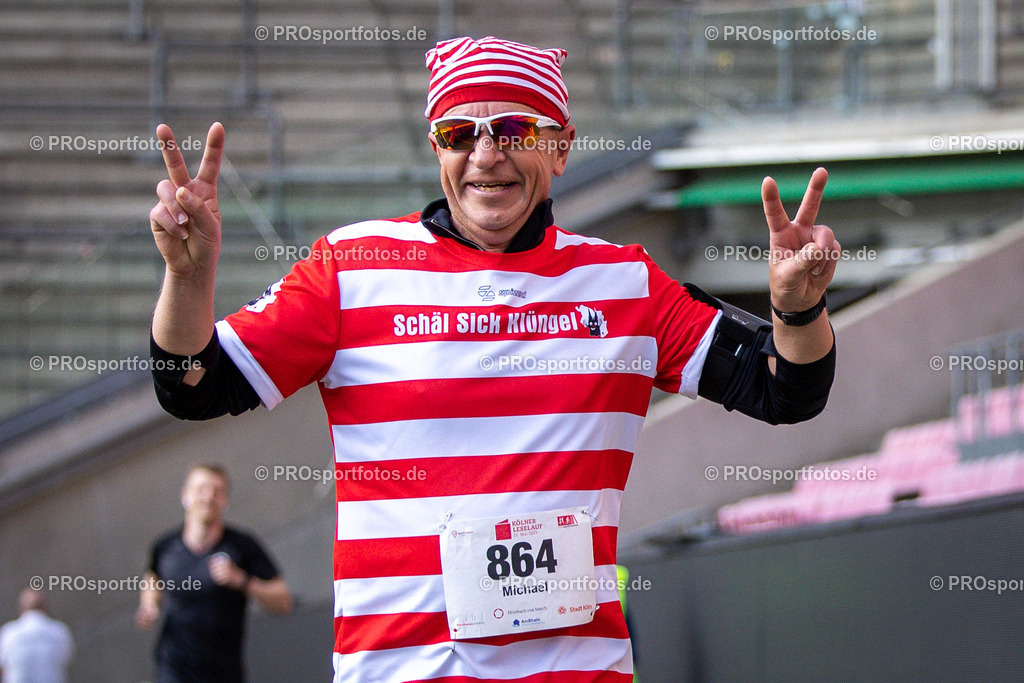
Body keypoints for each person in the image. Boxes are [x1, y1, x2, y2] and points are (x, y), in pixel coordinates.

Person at [146, 36, 837, 682]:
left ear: (561, 147)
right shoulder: (351, 269)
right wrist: (188, 276)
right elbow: (193, 386)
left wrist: (797, 309)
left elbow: (785, 390)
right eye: (459, 133)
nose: (486, 154)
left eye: (514, 131)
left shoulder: (625, 283)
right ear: (436, 149)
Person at [136, 464, 293, 682]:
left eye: (217, 491)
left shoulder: (241, 547)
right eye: (201, 489)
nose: (208, 497)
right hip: (174, 669)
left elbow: (283, 601)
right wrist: (149, 605)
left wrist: (242, 581)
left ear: (226, 500)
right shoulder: (165, 547)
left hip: (223, 672)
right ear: (185, 496)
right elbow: (153, 577)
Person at [0, 588, 74, 683]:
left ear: (21, 608)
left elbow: (2, 667)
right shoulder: (59, 630)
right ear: (45, 607)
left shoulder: (9, 632)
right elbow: (66, 660)